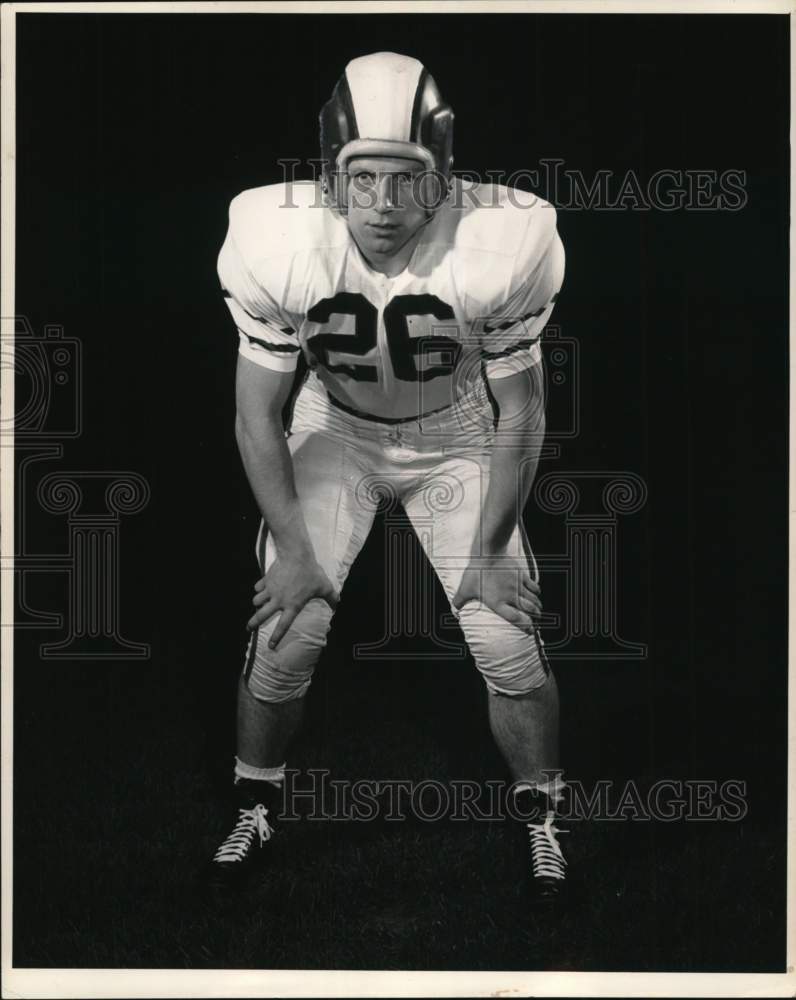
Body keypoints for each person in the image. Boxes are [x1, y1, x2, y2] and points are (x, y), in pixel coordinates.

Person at [210, 51, 568, 904]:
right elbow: (255, 413)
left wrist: (486, 550)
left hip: (458, 434)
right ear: (331, 178)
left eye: (405, 179)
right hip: (334, 426)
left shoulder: (505, 239)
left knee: (503, 634)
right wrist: (295, 552)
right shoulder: (275, 238)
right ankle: (255, 799)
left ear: (442, 178)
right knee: (289, 625)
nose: (382, 203)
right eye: (362, 177)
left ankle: (545, 817)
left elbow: (522, 411)